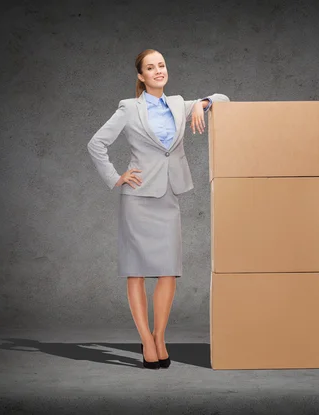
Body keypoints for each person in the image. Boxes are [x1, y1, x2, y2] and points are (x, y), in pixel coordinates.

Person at [87, 49, 230, 369]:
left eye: (161, 65)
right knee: (136, 271)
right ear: (141, 76)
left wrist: (203, 105)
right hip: (137, 198)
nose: (158, 71)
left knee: (169, 271)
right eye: (150, 68)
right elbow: (96, 144)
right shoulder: (129, 108)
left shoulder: (180, 104)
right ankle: (146, 340)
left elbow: (224, 98)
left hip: (168, 197)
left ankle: (159, 336)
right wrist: (115, 177)